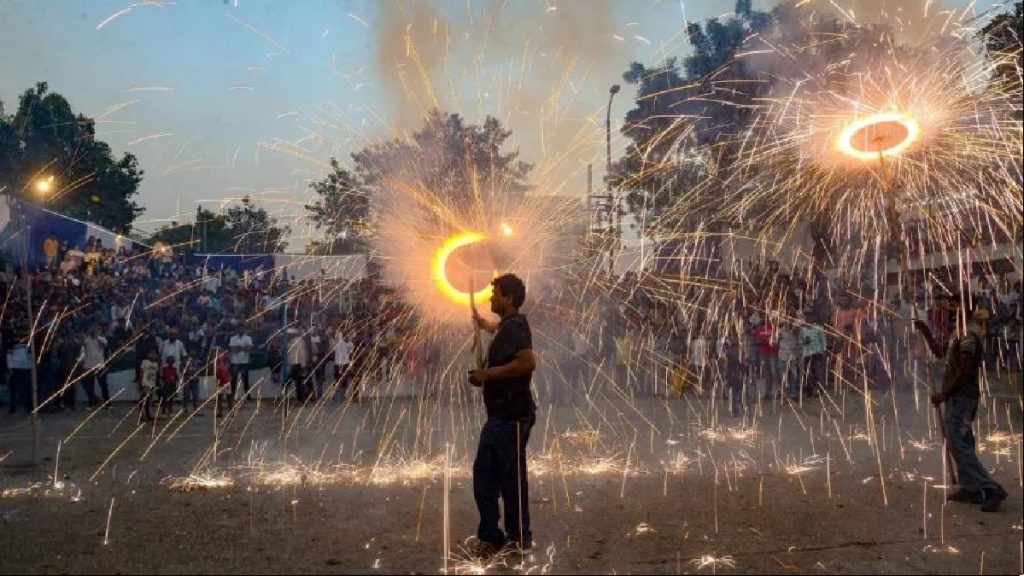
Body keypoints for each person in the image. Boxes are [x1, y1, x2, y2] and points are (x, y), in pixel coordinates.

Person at [468, 273, 537, 556]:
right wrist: (485, 326)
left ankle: (492, 537)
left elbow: (527, 363)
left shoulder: (514, 328)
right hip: (512, 415)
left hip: (507, 418)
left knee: (485, 477)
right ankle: (518, 538)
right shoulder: (511, 325)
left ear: (508, 299)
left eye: (495, 294)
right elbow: (505, 333)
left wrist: (487, 374)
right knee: (511, 480)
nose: (490, 298)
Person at [913, 310, 1008, 512]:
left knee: (958, 442)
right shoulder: (959, 333)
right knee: (961, 441)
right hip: (959, 397)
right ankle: (970, 488)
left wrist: (944, 394)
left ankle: (989, 488)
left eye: (956, 306)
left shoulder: (968, 335)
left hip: (963, 397)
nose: (951, 310)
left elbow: (965, 370)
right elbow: (940, 352)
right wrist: (926, 332)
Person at [228, 323, 253, 403]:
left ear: (244, 329)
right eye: (239, 328)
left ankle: (247, 395)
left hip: (244, 361)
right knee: (233, 379)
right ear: (237, 329)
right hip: (235, 361)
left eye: (242, 328)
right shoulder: (232, 338)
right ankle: (233, 395)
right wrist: (244, 348)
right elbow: (232, 349)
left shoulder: (248, 338)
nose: (241, 330)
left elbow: (249, 349)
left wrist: (239, 348)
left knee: (245, 379)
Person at [138, 349, 160, 422]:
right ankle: (141, 415)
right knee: (143, 400)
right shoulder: (145, 362)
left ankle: (148, 414)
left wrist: (156, 384)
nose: (153, 355)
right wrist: (140, 383)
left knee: (149, 401)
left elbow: (156, 375)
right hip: (145, 384)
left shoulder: (156, 364)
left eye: (155, 354)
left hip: (152, 384)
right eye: (152, 353)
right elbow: (141, 372)